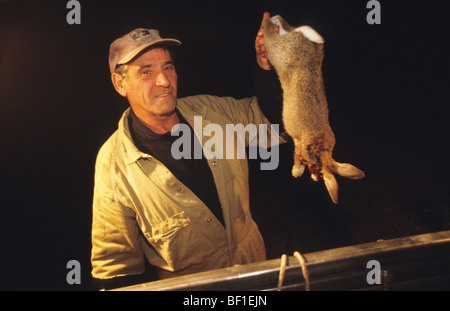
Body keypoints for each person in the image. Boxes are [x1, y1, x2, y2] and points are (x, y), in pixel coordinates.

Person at [91, 12, 283, 289]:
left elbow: (271, 122)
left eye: (168, 68)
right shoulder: (113, 165)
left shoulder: (212, 112)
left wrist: (267, 68)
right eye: (146, 71)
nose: (164, 81)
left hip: (256, 276)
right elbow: (117, 267)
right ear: (120, 84)